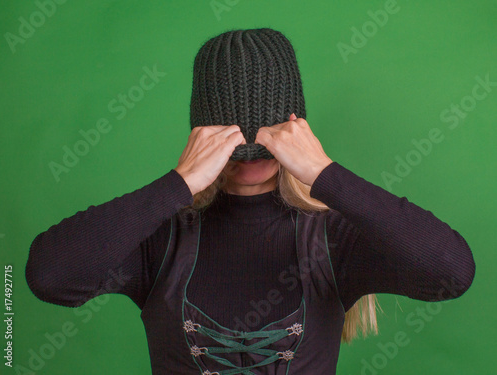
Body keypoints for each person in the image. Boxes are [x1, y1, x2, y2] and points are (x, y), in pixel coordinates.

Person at [25, 28, 476, 374]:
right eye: (231, 134)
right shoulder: (160, 236)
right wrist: (178, 183)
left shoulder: (336, 238)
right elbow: (50, 276)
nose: (251, 149)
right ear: (202, 135)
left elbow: (451, 272)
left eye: (268, 134)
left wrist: (324, 174)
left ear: (295, 130)